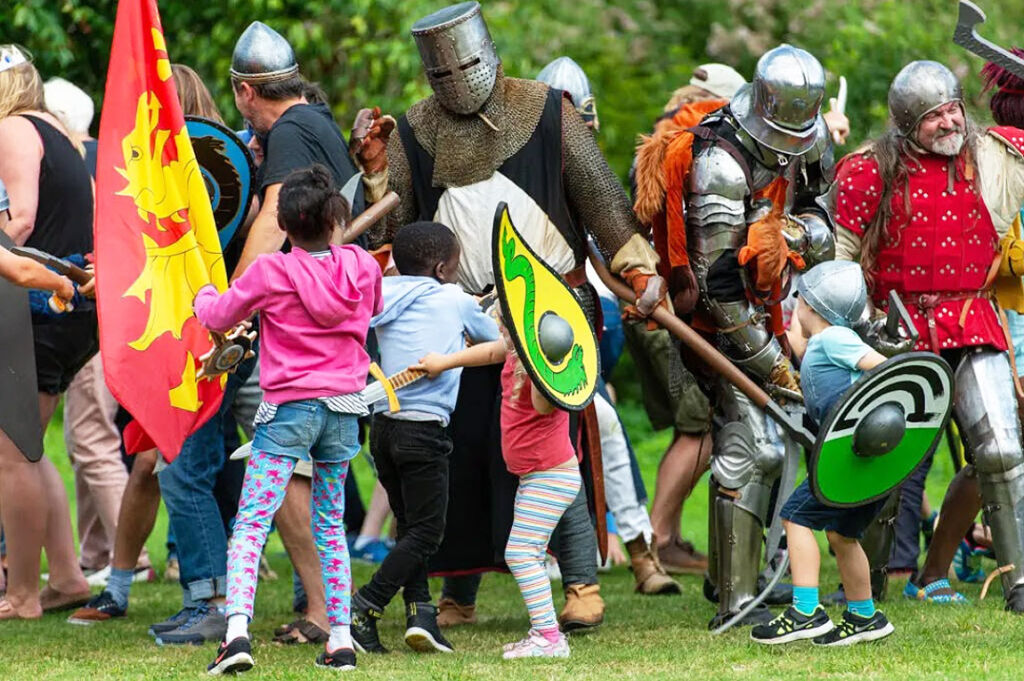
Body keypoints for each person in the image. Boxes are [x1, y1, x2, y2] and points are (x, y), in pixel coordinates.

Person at [364, 1, 666, 630]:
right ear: (429, 76)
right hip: (461, 311)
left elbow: (605, 205)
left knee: (557, 450)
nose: (456, 81)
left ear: (488, 53)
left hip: (548, 307)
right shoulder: (416, 131)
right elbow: (397, 230)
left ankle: (581, 583)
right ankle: (459, 591)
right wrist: (373, 176)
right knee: (465, 450)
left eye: (464, 66)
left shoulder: (548, 111)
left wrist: (637, 272)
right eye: (441, 74)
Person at [637, 45, 838, 628]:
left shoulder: (812, 134)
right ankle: (735, 598)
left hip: (777, 300)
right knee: (752, 450)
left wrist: (786, 235)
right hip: (714, 319)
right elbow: (716, 284)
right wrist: (773, 364)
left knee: (780, 442)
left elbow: (822, 217)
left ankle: (742, 578)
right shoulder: (719, 163)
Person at [835, 60, 1024, 610]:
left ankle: (1014, 582)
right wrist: (859, 331)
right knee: (880, 451)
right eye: (932, 116)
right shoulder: (869, 169)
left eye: (952, 109)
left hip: (972, 320)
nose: (948, 123)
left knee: (1003, 449)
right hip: (895, 327)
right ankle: (865, 582)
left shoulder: (996, 156)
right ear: (904, 124)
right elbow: (839, 263)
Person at [195, 164, 382, 674]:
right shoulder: (363, 267)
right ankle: (340, 639)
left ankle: (235, 636)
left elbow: (218, 316)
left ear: (283, 223)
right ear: (334, 218)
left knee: (253, 523)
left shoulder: (270, 272)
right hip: (344, 410)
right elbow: (372, 310)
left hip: (288, 411)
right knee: (329, 525)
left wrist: (201, 296)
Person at [536, 55, 678, 595]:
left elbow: (610, 248)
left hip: (571, 322)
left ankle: (641, 554)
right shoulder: (509, 170)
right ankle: (458, 591)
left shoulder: (589, 182)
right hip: (506, 320)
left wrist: (642, 279)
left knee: (604, 428)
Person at [349, 221, 498, 654]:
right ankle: (365, 605)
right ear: (440, 268)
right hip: (424, 430)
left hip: (384, 429)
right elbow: (497, 341)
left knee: (408, 527)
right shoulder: (453, 298)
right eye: (454, 266)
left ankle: (422, 617)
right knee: (429, 532)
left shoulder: (382, 292)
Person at [416, 317, 579, 659]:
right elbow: (491, 350)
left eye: (504, 324)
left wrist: (544, 360)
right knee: (527, 552)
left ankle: (549, 637)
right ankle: (543, 633)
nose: (497, 328)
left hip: (551, 477)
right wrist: (444, 362)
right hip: (534, 475)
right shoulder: (514, 350)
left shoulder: (543, 370)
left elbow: (541, 403)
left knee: (520, 552)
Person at [0, 43, 95, 620]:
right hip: (71, 306)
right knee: (29, 454)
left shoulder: (11, 129)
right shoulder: (57, 129)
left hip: (41, 304)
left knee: (10, 455)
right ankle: (65, 576)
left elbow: (23, 220)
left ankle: (23, 595)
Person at [752, 261, 894, 645]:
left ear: (811, 306)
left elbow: (885, 370)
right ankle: (864, 616)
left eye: (800, 299)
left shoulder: (836, 340)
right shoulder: (825, 342)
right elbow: (801, 347)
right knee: (842, 534)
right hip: (866, 462)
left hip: (849, 457)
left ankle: (806, 611)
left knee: (796, 518)